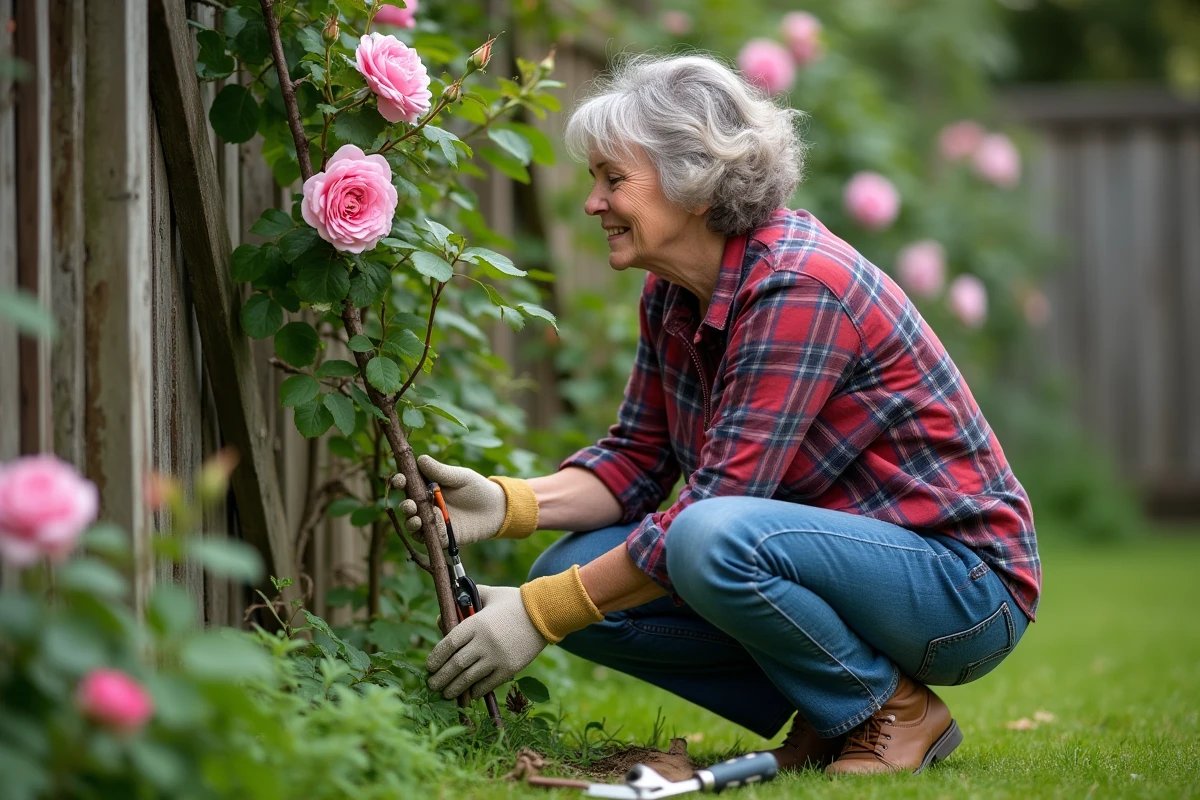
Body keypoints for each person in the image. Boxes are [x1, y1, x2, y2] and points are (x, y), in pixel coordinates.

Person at [396, 52, 1041, 776]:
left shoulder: (798, 286)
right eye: (594, 180)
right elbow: (639, 459)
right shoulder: (673, 294)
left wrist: (539, 613)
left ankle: (892, 710)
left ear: (692, 183)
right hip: (841, 565)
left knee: (699, 539)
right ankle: (836, 710)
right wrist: (512, 504)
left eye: (614, 180)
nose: (592, 203)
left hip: (962, 587)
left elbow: (718, 505)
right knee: (575, 564)